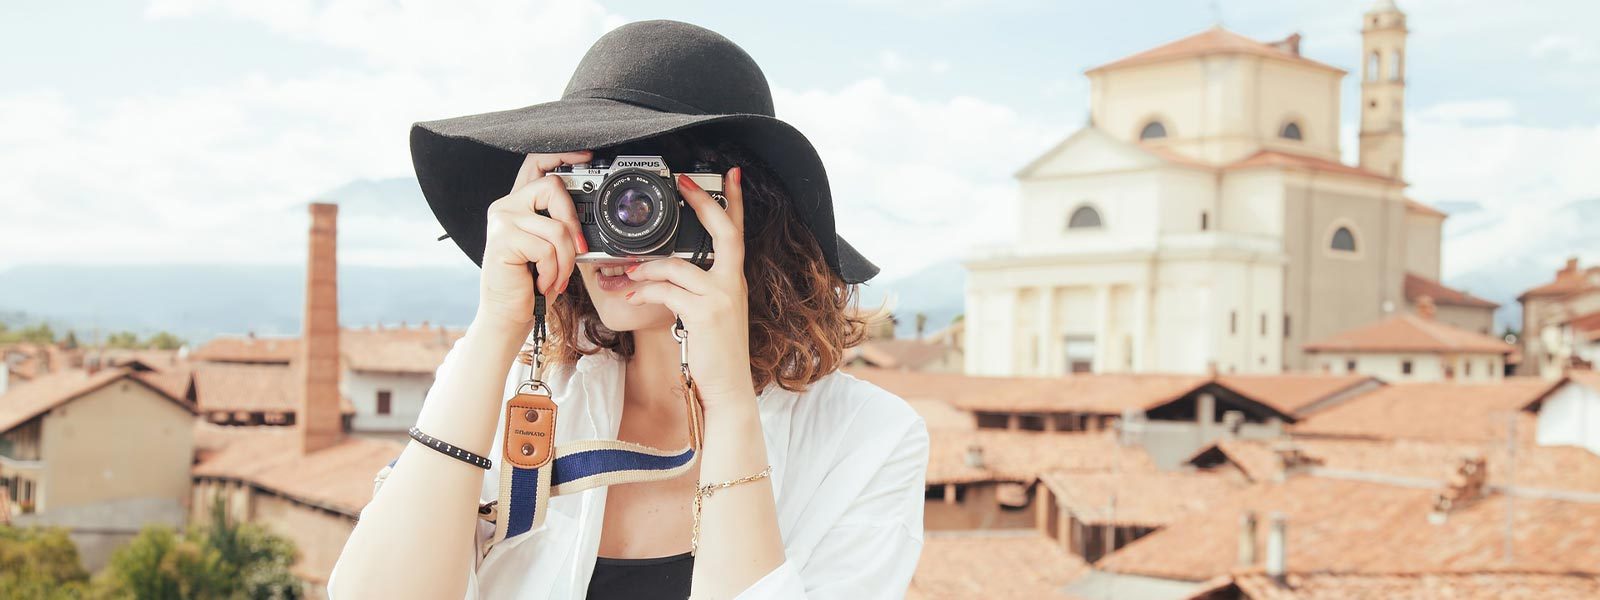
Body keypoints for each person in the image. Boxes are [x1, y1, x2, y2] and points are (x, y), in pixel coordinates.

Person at [329, 20, 929, 600]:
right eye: (593, 187)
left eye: (656, 194)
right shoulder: (512, 391)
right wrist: (495, 328)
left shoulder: (869, 439)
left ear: (748, 210)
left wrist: (728, 405)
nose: (625, 225)